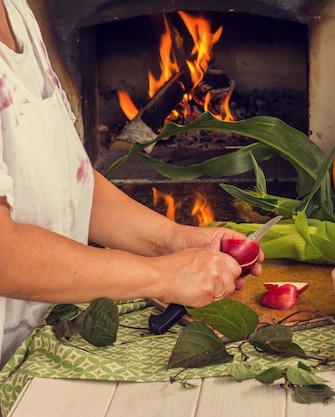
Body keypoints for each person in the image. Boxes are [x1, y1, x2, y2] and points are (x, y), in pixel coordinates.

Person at [0, 0, 263, 368]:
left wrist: (172, 242)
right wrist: (162, 276)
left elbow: (71, 180)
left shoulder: (16, 12)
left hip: (45, 339)